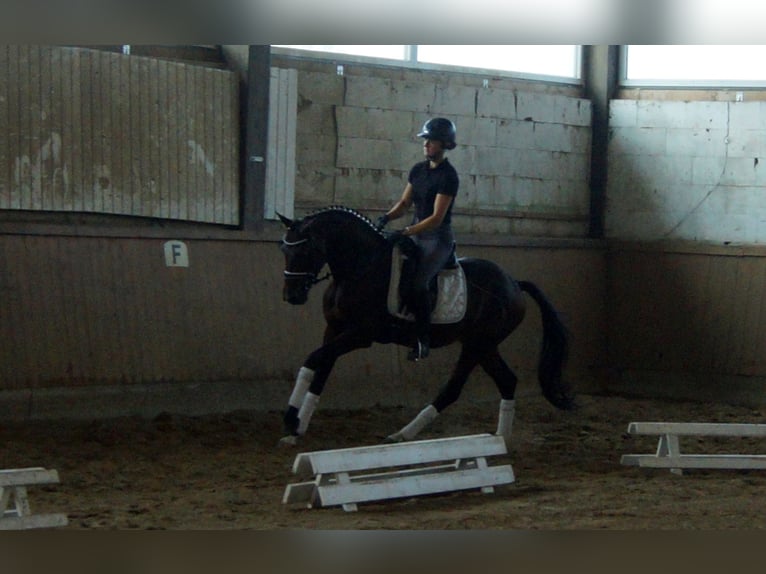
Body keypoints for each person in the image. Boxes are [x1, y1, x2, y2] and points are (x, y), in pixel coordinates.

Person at [376, 117, 459, 361]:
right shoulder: (418, 170)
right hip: (416, 231)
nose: (426, 145)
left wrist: (405, 232)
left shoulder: (449, 176)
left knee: (419, 284)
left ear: (443, 144)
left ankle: (423, 340)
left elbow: (435, 218)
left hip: (437, 239)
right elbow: (404, 203)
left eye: (430, 141)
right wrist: (386, 218)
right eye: (425, 141)